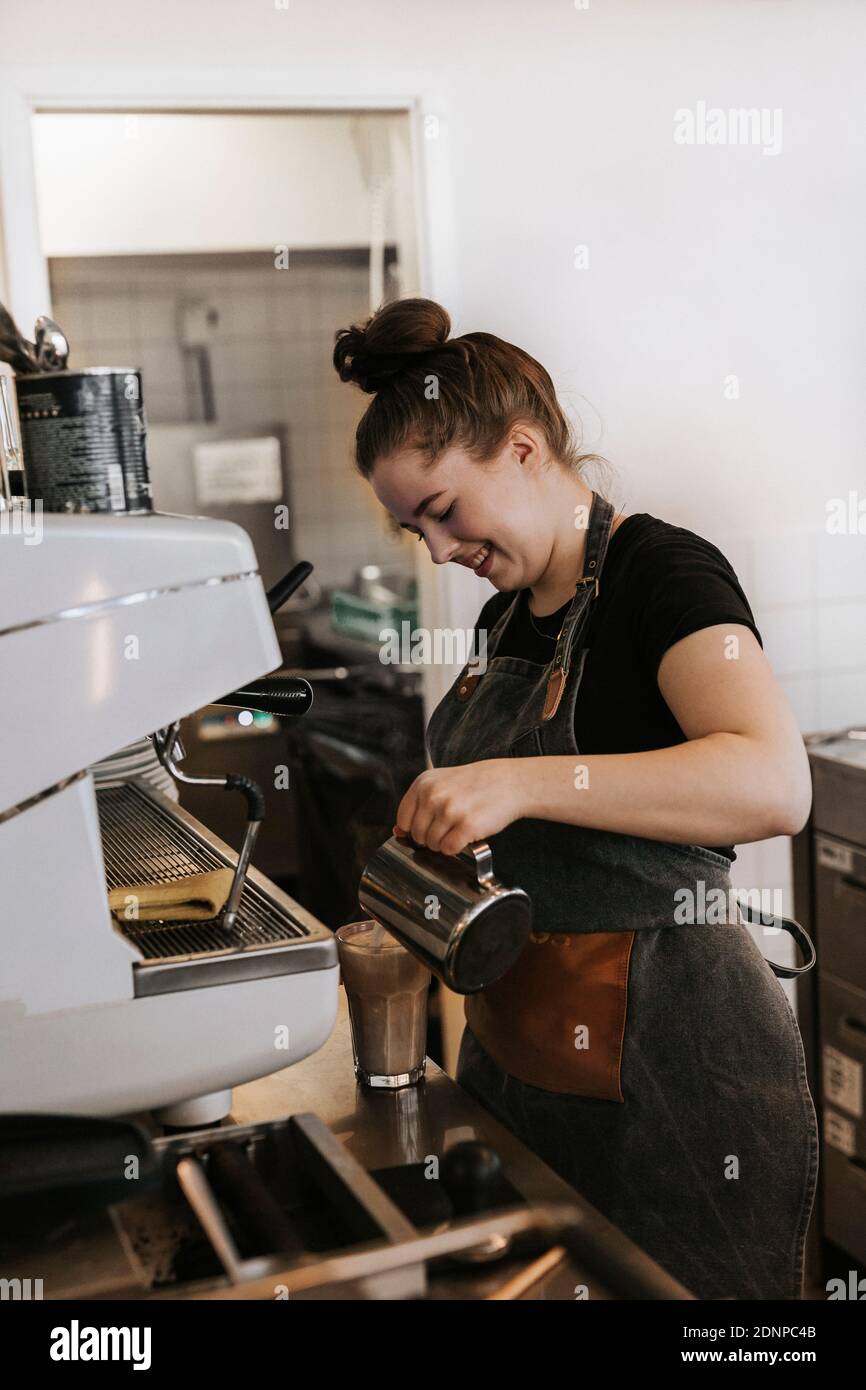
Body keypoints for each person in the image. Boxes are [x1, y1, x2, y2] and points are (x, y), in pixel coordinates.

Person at [332, 297, 819, 1300]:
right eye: (409, 526)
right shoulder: (506, 618)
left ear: (518, 450)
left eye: (439, 509)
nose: (433, 549)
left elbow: (772, 781)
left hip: (680, 1082)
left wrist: (513, 781)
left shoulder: (661, 574)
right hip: (523, 1071)